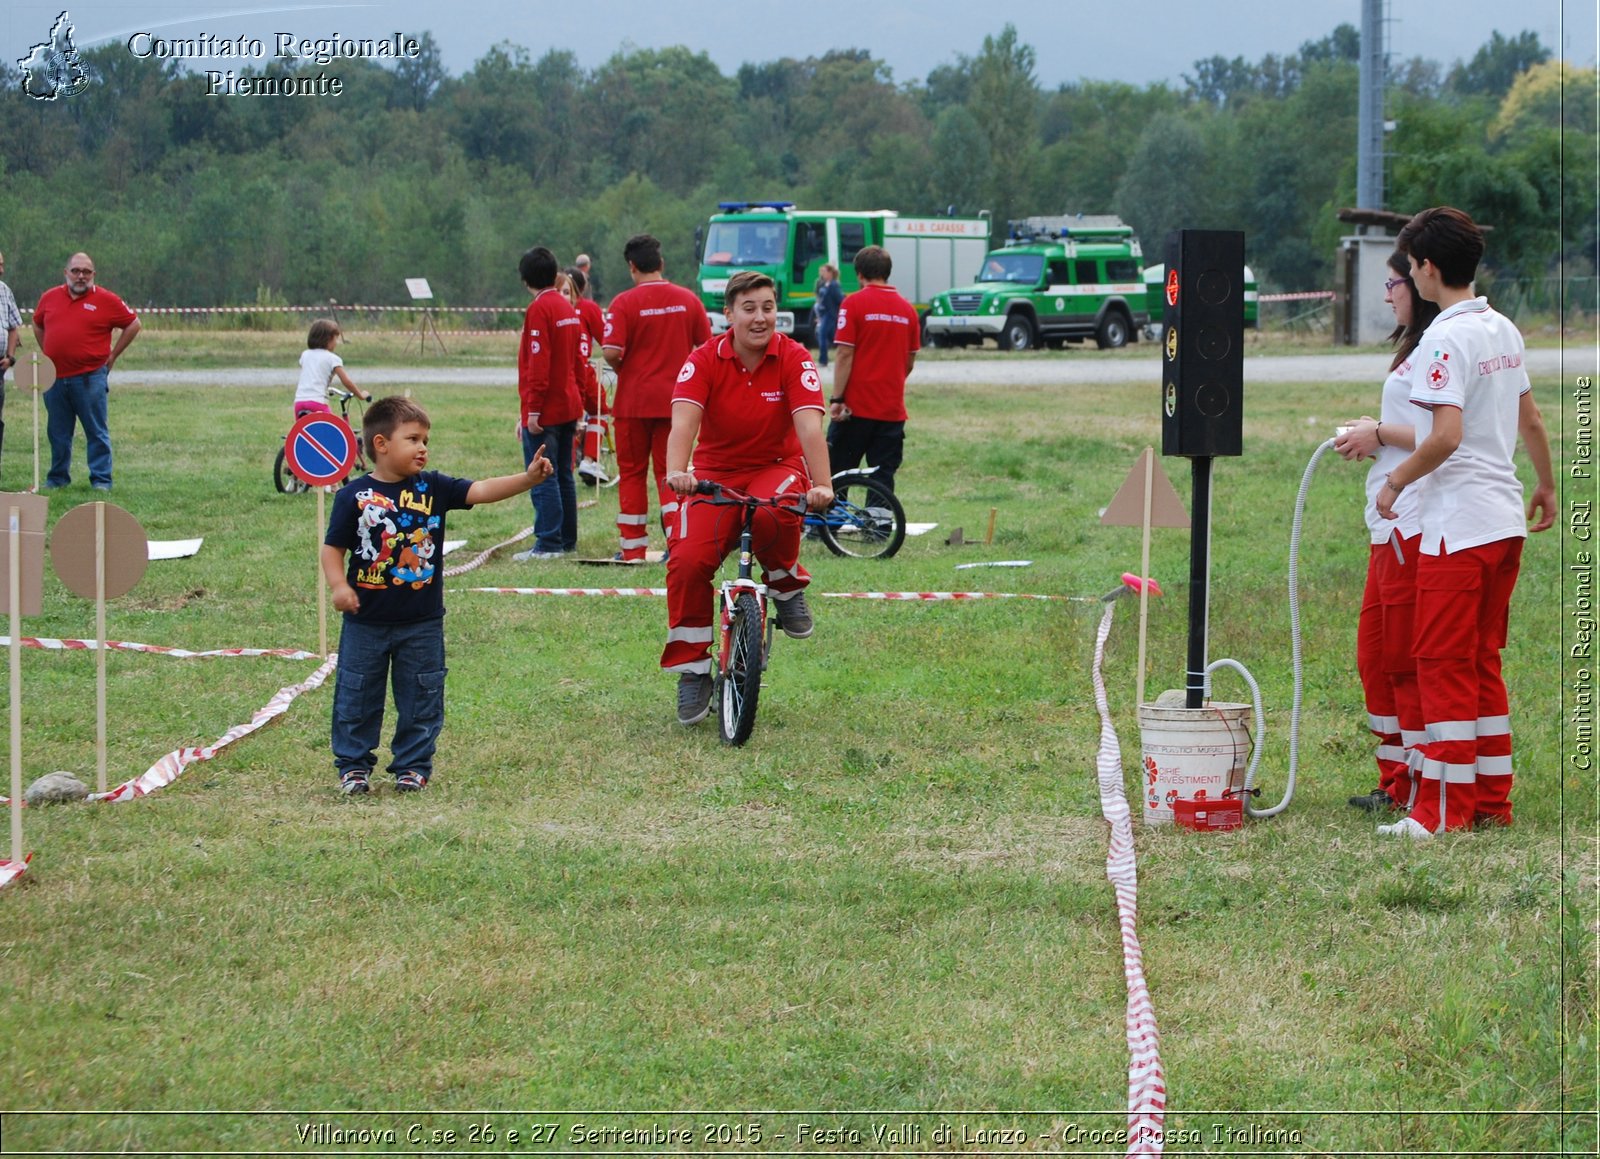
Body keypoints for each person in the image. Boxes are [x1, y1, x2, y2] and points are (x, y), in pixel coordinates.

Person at [1374, 206, 1556, 838]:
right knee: (1481, 663)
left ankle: (1443, 811)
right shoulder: (1502, 327)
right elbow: (1530, 421)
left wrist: (1396, 479)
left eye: (1410, 268)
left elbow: (1444, 436)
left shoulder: (1443, 338)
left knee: (1442, 662)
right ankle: (1489, 800)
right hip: (1503, 521)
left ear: (1427, 269)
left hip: (1459, 528)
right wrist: (1548, 486)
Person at [321, 395, 554, 795]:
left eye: (426, 439)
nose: (423, 447)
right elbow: (332, 549)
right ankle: (354, 767)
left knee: (422, 696)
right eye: (412, 439)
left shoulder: (434, 487)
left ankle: (412, 766)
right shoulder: (353, 497)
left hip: (422, 622)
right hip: (365, 623)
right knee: (357, 696)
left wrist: (528, 479)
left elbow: (480, 489)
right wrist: (340, 587)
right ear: (381, 444)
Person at [661, 271, 834, 725]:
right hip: (714, 474)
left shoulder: (795, 358)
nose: (761, 318)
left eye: (768, 307)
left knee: (772, 514)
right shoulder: (702, 360)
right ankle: (693, 670)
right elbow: (683, 424)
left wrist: (823, 484)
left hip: (776, 467)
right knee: (686, 562)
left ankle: (784, 582)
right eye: (750, 308)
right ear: (729, 314)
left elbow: (810, 427)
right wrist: (678, 472)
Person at [1333, 253, 1440, 814]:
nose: (1387, 294)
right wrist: (1372, 435)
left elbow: (1441, 431)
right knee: (1374, 657)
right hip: (1389, 527)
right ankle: (1396, 774)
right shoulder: (1414, 347)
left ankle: (1416, 780)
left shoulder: (1436, 346)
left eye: (1393, 282)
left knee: (1398, 657)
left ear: (1421, 281)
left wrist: (1377, 433)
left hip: (1414, 521)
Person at [603, 234, 711, 561]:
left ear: (632, 267)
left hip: (632, 402)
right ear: (661, 264)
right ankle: (677, 544)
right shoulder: (688, 300)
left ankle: (632, 549)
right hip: (676, 403)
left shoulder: (623, 303)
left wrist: (625, 368)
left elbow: (610, 350)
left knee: (632, 473)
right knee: (672, 473)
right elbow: (706, 348)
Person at [32, 252, 141, 491]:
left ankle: (101, 480)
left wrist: (112, 356)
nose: (80, 276)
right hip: (55, 379)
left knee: (96, 431)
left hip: (90, 378)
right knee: (58, 433)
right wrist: (49, 352)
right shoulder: (49, 298)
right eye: (76, 271)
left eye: (86, 272)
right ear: (66, 273)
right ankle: (57, 479)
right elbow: (38, 324)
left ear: (93, 275)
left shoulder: (106, 300)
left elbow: (133, 324)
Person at [827, 245, 920, 494]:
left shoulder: (853, 303)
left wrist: (837, 398)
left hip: (856, 407)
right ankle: (878, 528)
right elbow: (909, 361)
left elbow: (845, 353)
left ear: (859, 274)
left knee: (838, 468)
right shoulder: (908, 310)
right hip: (891, 410)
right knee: (883, 472)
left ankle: (832, 521)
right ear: (887, 272)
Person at [511, 246, 583, 561]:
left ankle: (549, 543)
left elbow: (538, 363)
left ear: (525, 279)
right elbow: (577, 360)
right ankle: (567, 539)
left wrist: (533, 409)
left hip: (549, 409)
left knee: (542, 473)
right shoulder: (568, 307)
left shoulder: (539, 309)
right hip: (569, 404)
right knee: (565, 474)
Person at [566, 266, 611, 486]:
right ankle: (590, 459)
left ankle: (565, 461)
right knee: (600, 410)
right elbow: (607, 339)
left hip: (558, 373)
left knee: (563, 416)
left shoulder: (549, 307)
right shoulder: (587, 307)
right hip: (582, 370)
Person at [293, 318, 371, 418]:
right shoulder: (333, 359)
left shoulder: (305, 354)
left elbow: (314, 373)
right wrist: (360, 395)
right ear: (328, 339)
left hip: (299, 403)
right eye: (336, 339)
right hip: (318, 402)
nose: (336, 343)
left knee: (304, 431)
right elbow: (346, 381)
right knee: (333, 431)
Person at [0, 252, 22, 480]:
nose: (2, 270)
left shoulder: (4, 291)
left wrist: (10, 357)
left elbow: (14, 326)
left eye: (2, 265)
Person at [813, 263, 844, 367]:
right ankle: (842, 352)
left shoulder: (834, 285)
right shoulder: (823, 284)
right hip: (823, 313)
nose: (823, 274)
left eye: (825, 272)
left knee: (822, 334)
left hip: (830, 314)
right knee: (831, 337)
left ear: (830, 273)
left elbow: (840, 299)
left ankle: (823, 360)